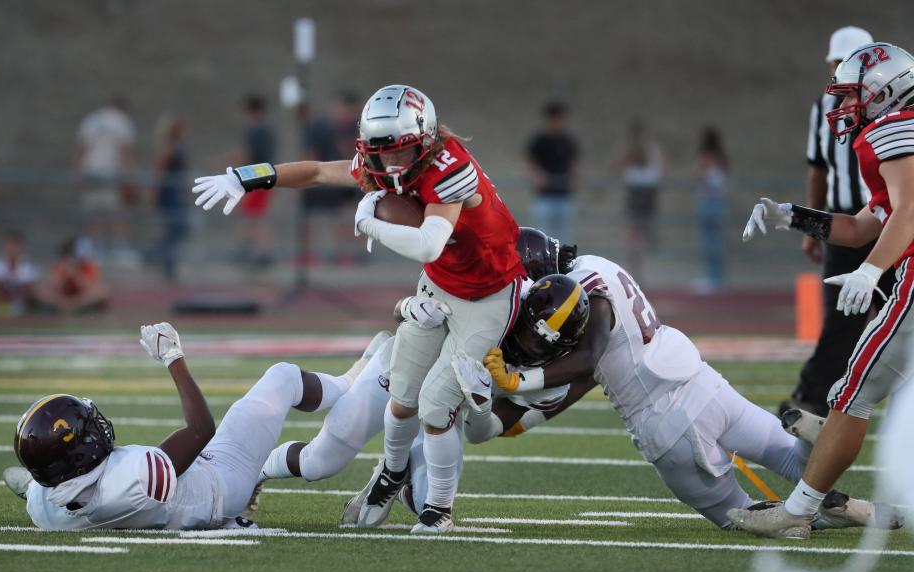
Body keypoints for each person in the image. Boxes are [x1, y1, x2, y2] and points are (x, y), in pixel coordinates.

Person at [255, 228, 900, 532]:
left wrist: (520, 389)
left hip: (658, 416)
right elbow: (572, 358)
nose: (529, 323)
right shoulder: (574, 274)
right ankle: (850, 507)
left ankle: (427, 503)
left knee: (740, 519)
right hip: (693, 375)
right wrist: (517, 400)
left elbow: (587, 351)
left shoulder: (567, 300)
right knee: (793, 457)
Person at [192, 84, 525, 534]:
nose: (389, 164)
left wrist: (370, 222)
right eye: (380, 152)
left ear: (424, 141)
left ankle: (434, 509)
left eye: (400, 152)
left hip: (485, 298)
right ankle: (388, 474)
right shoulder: (386, 162)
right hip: (439, 288)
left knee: (436, 409)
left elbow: (428, 243)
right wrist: (245, 176)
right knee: (381, 420)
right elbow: (313, 172)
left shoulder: (449, 168)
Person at [733, 42, 914, 539]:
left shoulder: (895, 128)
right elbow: (861, 226)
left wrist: (871, 272)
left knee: (855, 392)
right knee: (857, 390)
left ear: (886, 92)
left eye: (854, 94)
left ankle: (800, 508)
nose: (843, 106)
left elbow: (909, 213)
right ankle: (829, 435)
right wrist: (790, 215)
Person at [2, 322, 389, 530]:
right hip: (220, 483)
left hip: (194, 488)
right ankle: (351, 382)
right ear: (79, 456)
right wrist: (173, 357)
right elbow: (202, 430)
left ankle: (266, 467)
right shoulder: (133, 479)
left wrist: (33, 483)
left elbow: (33, 486)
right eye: (87, 432)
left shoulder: (48, 506)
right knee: (282, 377)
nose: (98, 430)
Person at [781, 26, 895, 418]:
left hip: (897, 237)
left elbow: (905, 209)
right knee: (845, 328)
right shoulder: (833, 110)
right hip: (858, 226)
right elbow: (827, 182)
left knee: (891, 325)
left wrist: (872, 267)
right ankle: (819, 403)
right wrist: (799, 220)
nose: (840, 78)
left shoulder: (895, 119)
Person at [299, 92, 362, 266]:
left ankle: (339, 255)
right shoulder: (333, 127)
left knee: (333, 217)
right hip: (339, 175)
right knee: (339, 217)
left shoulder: (319, 128)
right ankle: (342, 254)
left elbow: (312, 156)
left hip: (333, 177)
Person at [75, 97, 138, 266]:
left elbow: (83, 150)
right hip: (111, 173)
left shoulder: (91, 120)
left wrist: (80, 175)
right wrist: (129, 178)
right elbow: (124, 151)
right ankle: (119, 249)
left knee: (94, 214)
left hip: (90, 172)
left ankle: (96, 250)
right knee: (116, 213)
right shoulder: (122, 122)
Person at [613, 118, 664, 280]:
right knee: (636, 233)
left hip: (639, 192)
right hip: (643, 192)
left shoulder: (643, 150)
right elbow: (660, 170)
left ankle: (637, 269)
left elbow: (617, 166)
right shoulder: (646, 150)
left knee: (635, 233)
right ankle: (637, 269)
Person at [525, 101, 580, 245]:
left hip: (564, 194)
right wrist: (538, 176)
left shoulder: (568, 141)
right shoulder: (540, 141)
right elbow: (530, 162)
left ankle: (565, 265)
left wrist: (574, 179)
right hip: (544, 196)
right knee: (542, 234)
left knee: (565, 235)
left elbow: (574, 164)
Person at [235, 94, 277, 266]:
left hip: (256, 177)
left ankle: (261, 252)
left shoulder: (256, 130)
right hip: (264, 176)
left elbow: (248, 154)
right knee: (254, 216)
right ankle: (255, 250)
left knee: (255, 216)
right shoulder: (267, 130)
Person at [151, 114, 190, 281]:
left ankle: (164, 260)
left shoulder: (176, 146)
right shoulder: (170, 146)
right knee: (173, 228)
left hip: (175, 192)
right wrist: (154, 191)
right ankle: (159, 258)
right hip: (169, 193)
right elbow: (160, 168)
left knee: (177, 229)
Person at [694, 127, 729, 293]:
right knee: (713, 240)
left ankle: (713, 277)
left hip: (709, 200)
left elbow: (702, 176)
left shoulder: (708, 157)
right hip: (717, 200)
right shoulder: (721, 157)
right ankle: (715, 276)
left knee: (710, 241)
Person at [38, 238, 109, 314]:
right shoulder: (61, 265)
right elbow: (55, 285)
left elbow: (89, 286)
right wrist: (66, 273)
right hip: (63, 297)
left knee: (102, 290)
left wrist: (75, 273)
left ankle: (73, 307)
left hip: (80, 297)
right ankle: (65, 307)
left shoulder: (88, 266)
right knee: (42, 290)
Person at [0, 230, 41, 315]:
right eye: (10, 244)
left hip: (20, 304)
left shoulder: (29, 267)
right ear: (4, 246)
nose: (13, 249)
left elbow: (29, 290)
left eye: (16, 245)